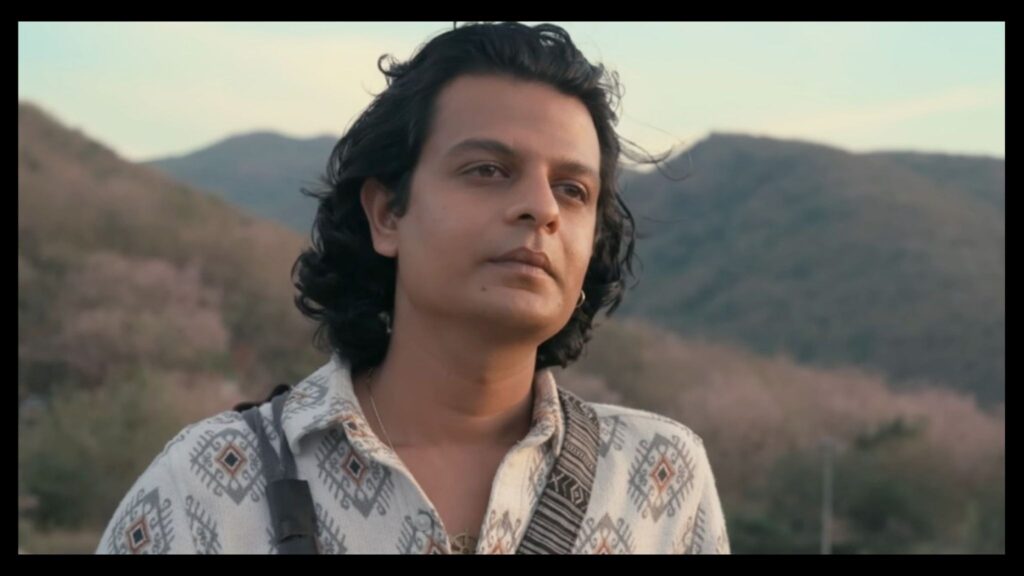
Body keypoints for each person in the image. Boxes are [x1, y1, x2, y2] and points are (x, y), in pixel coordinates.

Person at [96, 21, 730, 554]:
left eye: (573, 189)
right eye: (488, 170)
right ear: (387, 215)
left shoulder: (658, 479)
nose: (542, 208)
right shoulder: (207, 484)